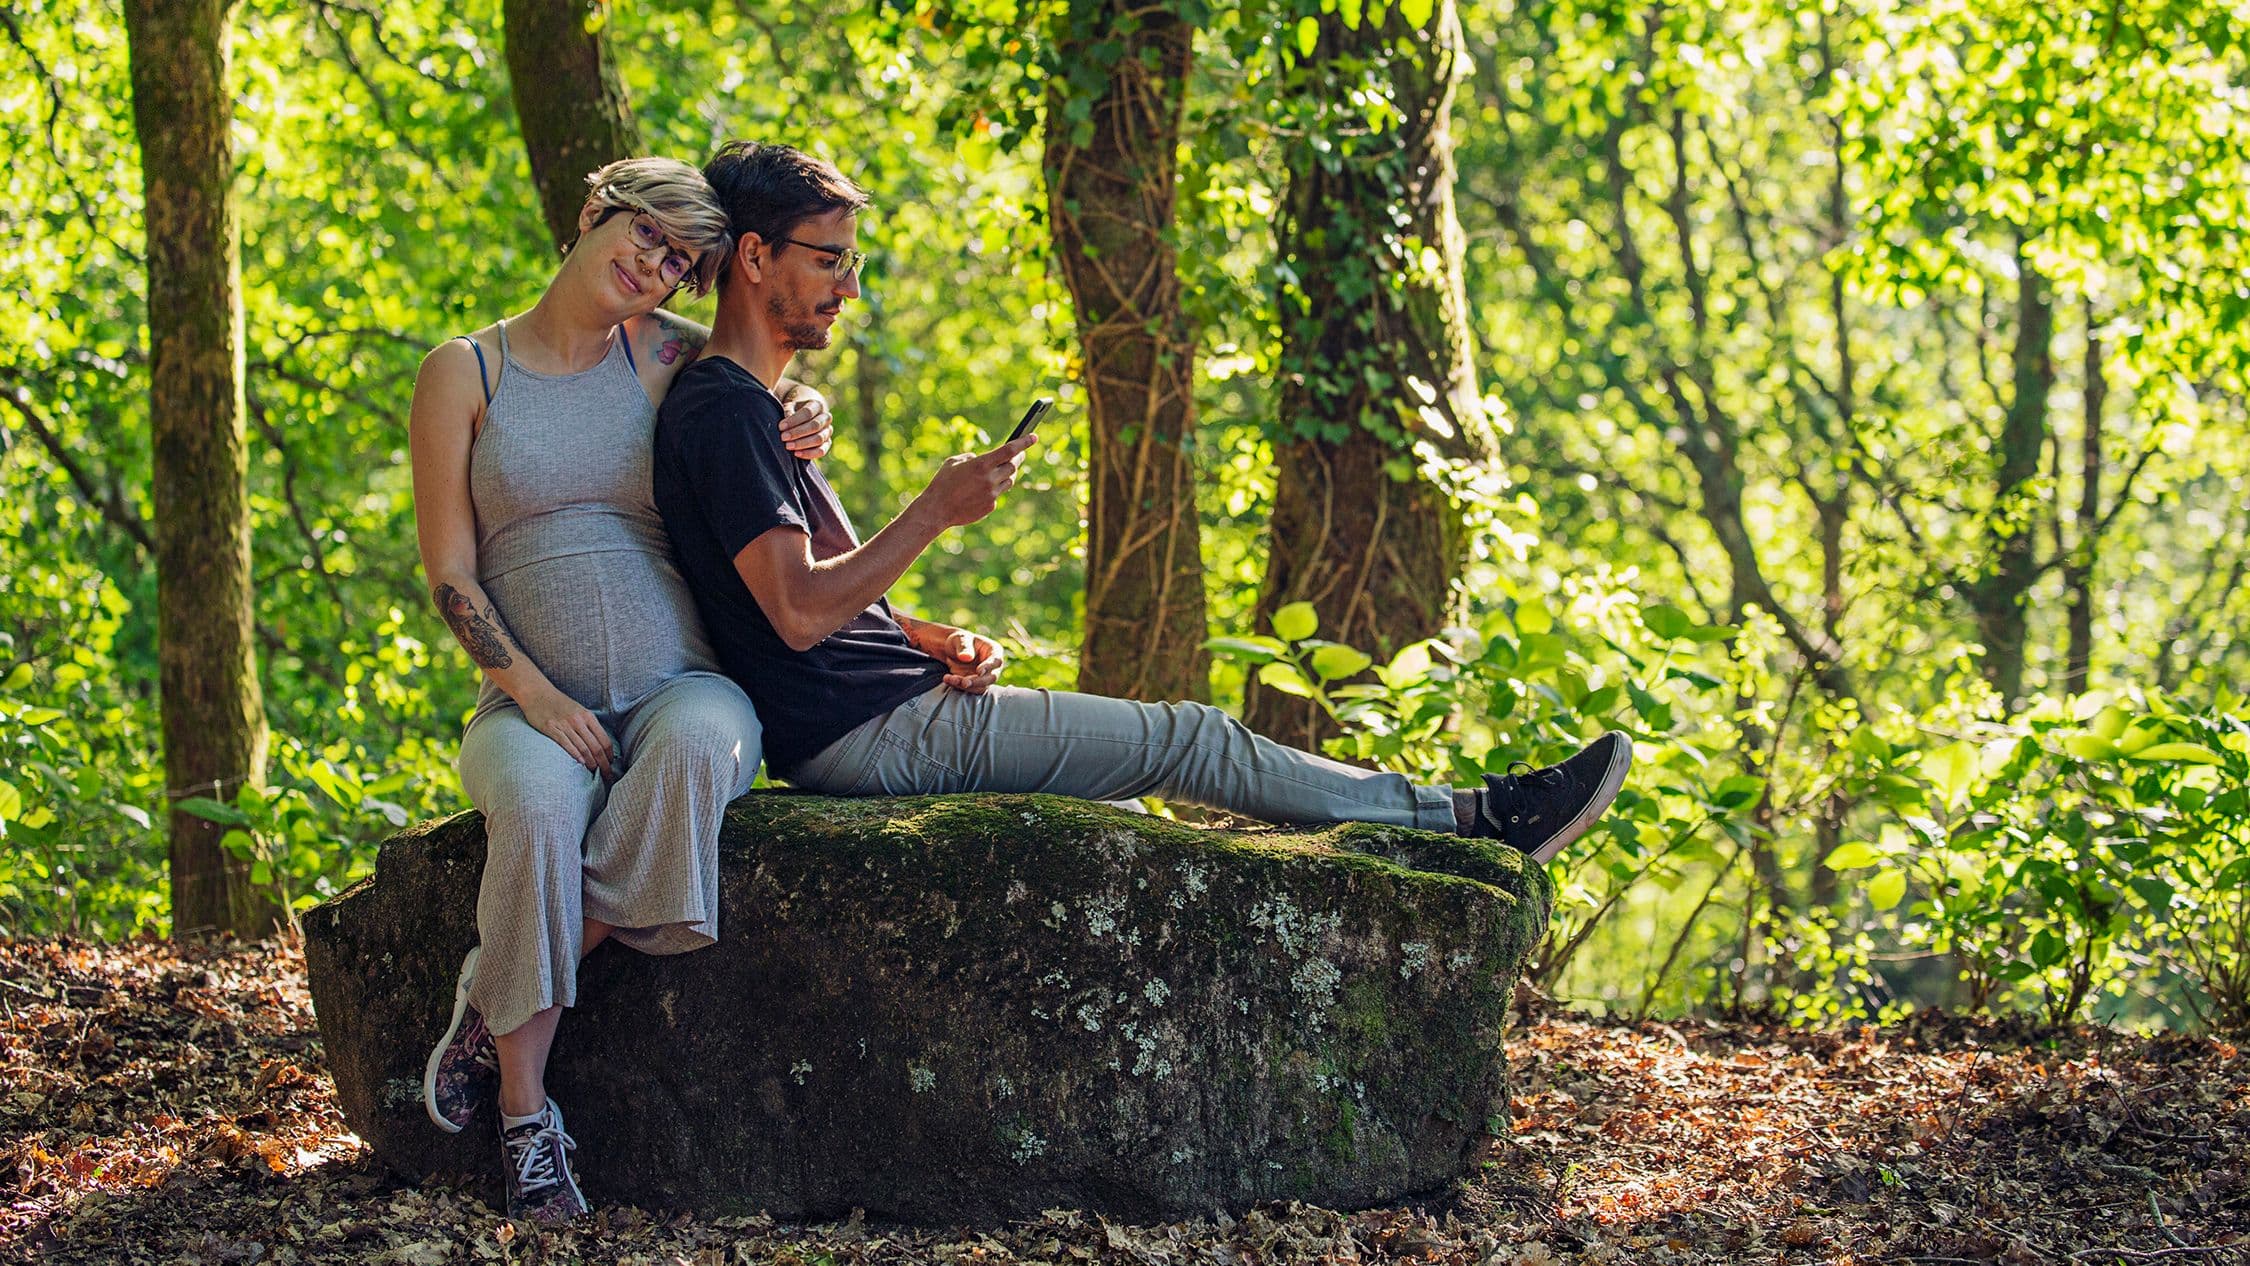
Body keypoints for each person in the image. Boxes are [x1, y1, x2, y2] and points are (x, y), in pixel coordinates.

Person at [651, 141, 1632, 860]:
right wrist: (932, 511)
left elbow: (804, 595)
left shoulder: (759, 409)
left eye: (849, 264)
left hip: (890, 702)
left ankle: (1444, 823)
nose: (848, 290)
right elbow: (793, 611)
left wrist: (925, 636)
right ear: (751, 257)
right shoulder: (726, 414)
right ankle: (1477, 821)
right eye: (829, 261)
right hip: (872, 736)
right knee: (1188, 739)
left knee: (1129, 809)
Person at [407, 157, 835, 1224]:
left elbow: (759, 409)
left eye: (680, 263)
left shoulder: (669, 363)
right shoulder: (467, 371)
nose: (653, 269)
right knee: (541, 809)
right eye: (644, 238)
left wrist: (804, 405)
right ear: (591, 213)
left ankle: (492, 993)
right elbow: (451, 575)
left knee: (698, 754)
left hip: (682, 685)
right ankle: (523, 1115)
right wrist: (541, 701)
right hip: (527, 707)